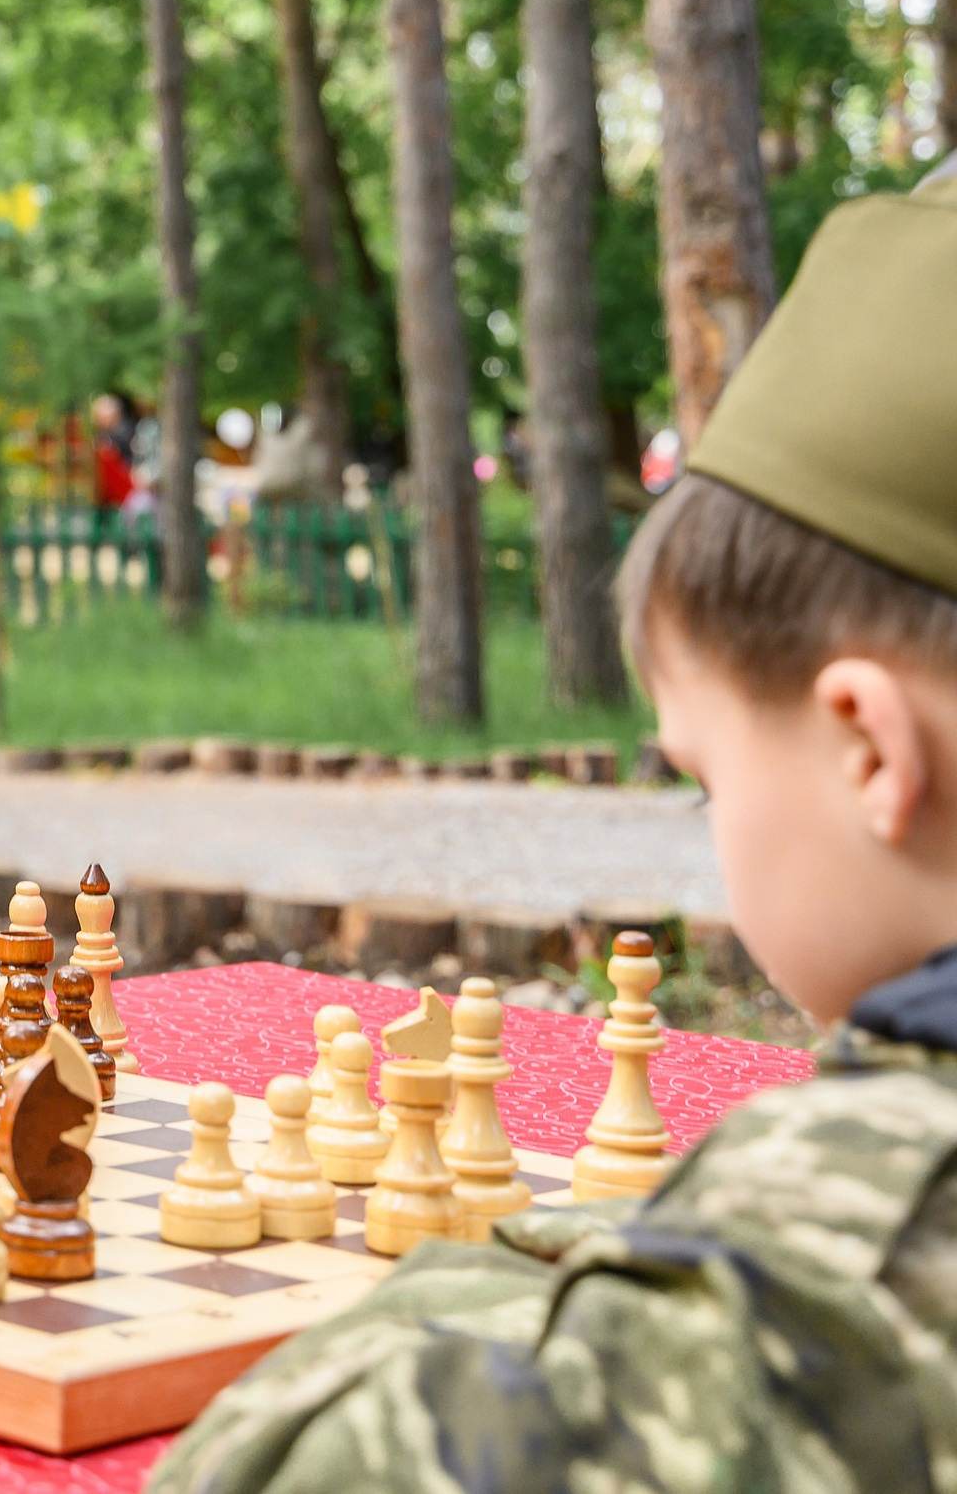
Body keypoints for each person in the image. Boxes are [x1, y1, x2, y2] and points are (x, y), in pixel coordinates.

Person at [150, 174, 957, 1489]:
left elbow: (271, 1468)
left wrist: (498, 1263)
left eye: (712, 776)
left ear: (869, 747)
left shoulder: (842, 1264)